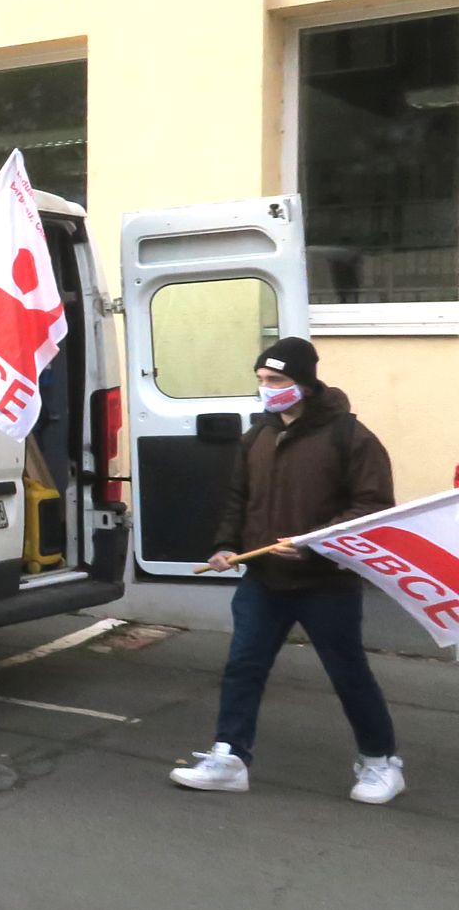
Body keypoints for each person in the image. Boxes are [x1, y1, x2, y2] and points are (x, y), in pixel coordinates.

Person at [169, 337, 404, 805]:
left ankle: (381, 762)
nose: (266, 389)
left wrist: (313, 545)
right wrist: (224, 546)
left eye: (276, 380)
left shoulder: (350, 437)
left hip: (326, 583)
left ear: (304, 382)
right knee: (243, 667)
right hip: (264, 582)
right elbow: (239, 499)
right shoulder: (257, 436)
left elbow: (372, 508)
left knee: (348, 672)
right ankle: (230, 758)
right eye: (260, 380)